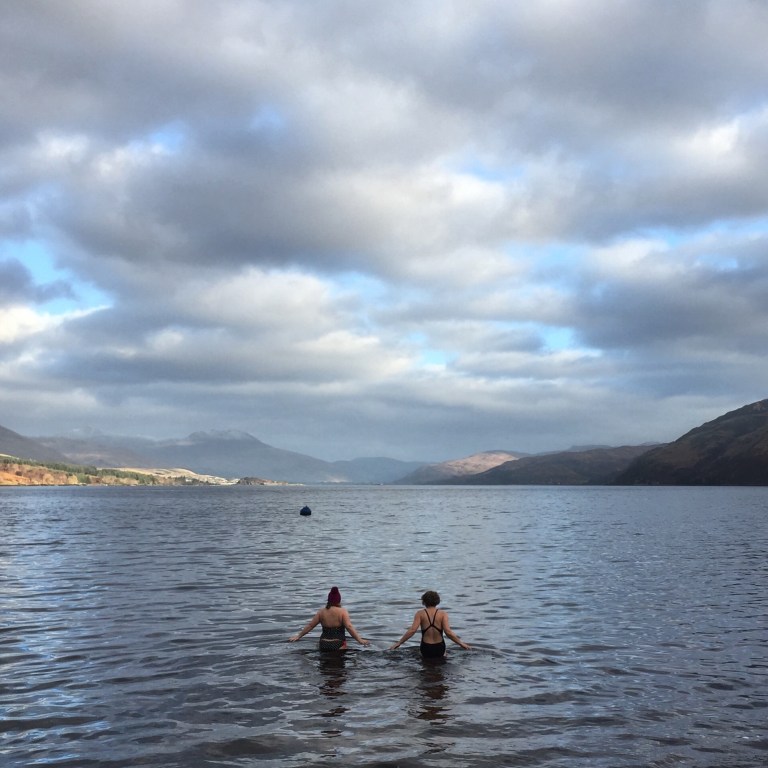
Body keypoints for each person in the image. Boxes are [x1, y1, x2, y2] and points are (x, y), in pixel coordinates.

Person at [389, 590, 470, 657]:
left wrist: (399, 643)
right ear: (437, 601)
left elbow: (412, 630)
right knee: (442, 660)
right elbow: (448, 632)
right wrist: (461, 643)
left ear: (424, 601)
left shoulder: (420, 613)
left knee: (425, 664)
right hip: (439, 647)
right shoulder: (443, 614)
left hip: (426, 647)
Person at [289, 586, 370, 650]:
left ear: (329, 599)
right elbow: (349, 627)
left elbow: (310, 625)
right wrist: (360, 640)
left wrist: (298, 636)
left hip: (323, 643)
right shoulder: (342, 611)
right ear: (339, 600)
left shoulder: (321, 612)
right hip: (338, 643)